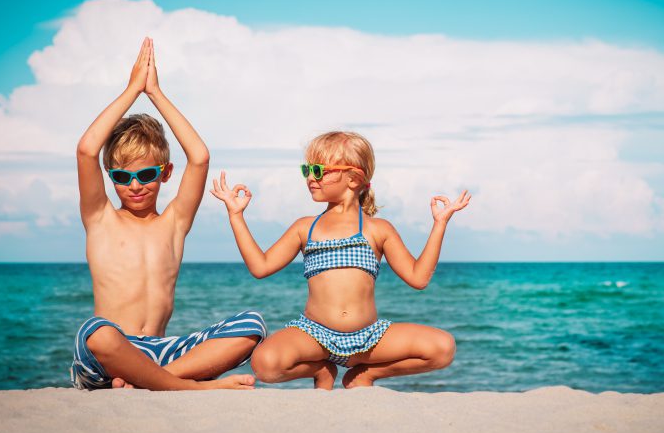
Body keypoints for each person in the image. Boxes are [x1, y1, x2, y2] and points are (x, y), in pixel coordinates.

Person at [71, 37, 266, 391]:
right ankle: (193, 388)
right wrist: (133, 89)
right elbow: (87, 150)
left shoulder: (174, 223)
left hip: (162, 352)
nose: (134, 186)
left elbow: (200, 156)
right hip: (114, 351)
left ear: (165, 173)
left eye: (145, 175)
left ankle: (152, 381)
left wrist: (156, 94)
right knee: (95, 333)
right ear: (110, 178)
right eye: (121, 177)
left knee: (252, 325)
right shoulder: (100, 218)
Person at [210, 130, 470, 389]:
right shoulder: (305, 227)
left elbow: (419, 277)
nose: (311, 177)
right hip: (314, 335)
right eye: (307, 170)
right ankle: (322, 371)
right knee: (265, 362)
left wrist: (440, 224)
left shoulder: (378, 229)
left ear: (354, 178)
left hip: (370, 338)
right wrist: (236, 216)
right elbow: (260, 266)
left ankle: (365, 376)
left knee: (443, 348)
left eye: (319, 171)